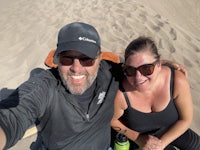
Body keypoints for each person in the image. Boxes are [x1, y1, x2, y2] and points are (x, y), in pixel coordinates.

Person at [0, 22, 186, 150]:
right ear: (57, 59)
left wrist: (164, 64)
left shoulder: (112, 72)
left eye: (86, 59)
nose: (76, 68)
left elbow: (131, 61)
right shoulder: (46, 86)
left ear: (99, 58)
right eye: (67, 58)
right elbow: (13, 116)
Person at [110, 36, 200, 150]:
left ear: (159, 65)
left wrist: (161, 144)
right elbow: (112, 121)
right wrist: (139, 138)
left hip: (174, 130)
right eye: (131, 70)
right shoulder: (121, 95)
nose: (138, 77)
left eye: (146, 69)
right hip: (140, 140)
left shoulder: (177, 81)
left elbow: (185, 120)